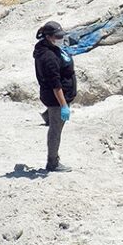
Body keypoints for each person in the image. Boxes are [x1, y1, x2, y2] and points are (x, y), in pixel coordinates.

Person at [34, 21, 76, 172]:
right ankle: (53, 162)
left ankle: (48, 116)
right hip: (56, 98)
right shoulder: (48, 58)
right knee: (55, 130)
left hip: (53, 95)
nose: (60, 38)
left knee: (54, 117)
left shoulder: (44, 47)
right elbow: (55, 86)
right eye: (57, 36)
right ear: (49, 37)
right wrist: (64, 106)